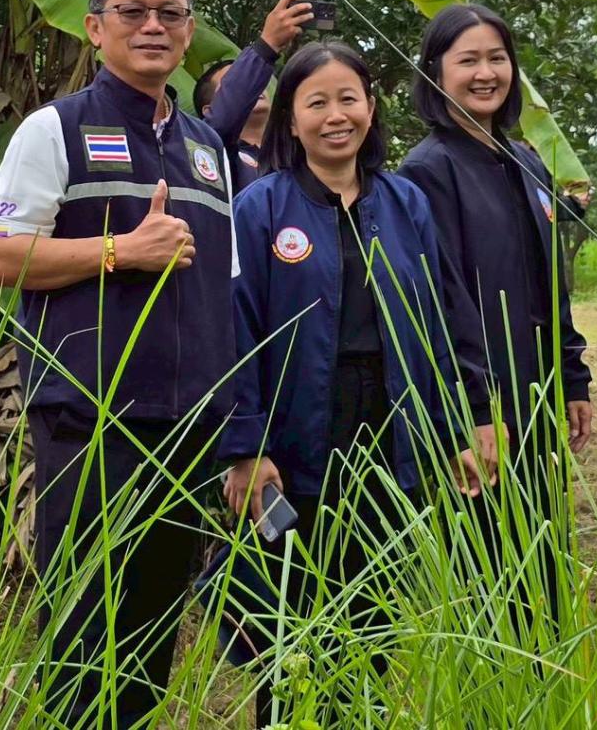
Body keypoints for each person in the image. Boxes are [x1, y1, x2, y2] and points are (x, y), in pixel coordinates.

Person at [0, 0, 236, 724]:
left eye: (171, 13)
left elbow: (219, 291)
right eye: (133, 12)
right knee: (87, 639)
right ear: (96, 27)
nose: (153, 26)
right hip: (92, 426)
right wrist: (123, 251)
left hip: (188, 430)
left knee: (152, 642)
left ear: (189, 34)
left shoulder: (208, 148)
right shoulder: (54, 128)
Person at [216, 41, 490, 723]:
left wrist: (461, 425)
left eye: (349, 98)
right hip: (297, 433)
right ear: (291, 117)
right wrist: (245, 447)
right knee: (288, 633)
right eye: (317, 102)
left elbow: (442, 315)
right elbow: (235, 333)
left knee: (370, 620)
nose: (335, 115)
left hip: (390, 428)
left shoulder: (406, 202)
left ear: (371, 106)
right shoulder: (260, 206)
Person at [398, 3, 592, 632]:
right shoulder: (428, 170)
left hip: (536, 394)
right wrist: (473, 412)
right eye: (468, 60)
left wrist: (573, 377)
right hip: (482, 405)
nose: (486, 73)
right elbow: (439, 301)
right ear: (434, 72)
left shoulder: (524, 160)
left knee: (545, 560)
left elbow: (549, 281)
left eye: (497, 58)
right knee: (489, 574)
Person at [194, 0, 315, 193]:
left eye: (253, 79)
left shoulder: (298, 148)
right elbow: (221, 124)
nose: (251, 87)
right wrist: (268, 44)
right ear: (209, 109)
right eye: (231, 85)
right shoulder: (215, 154)